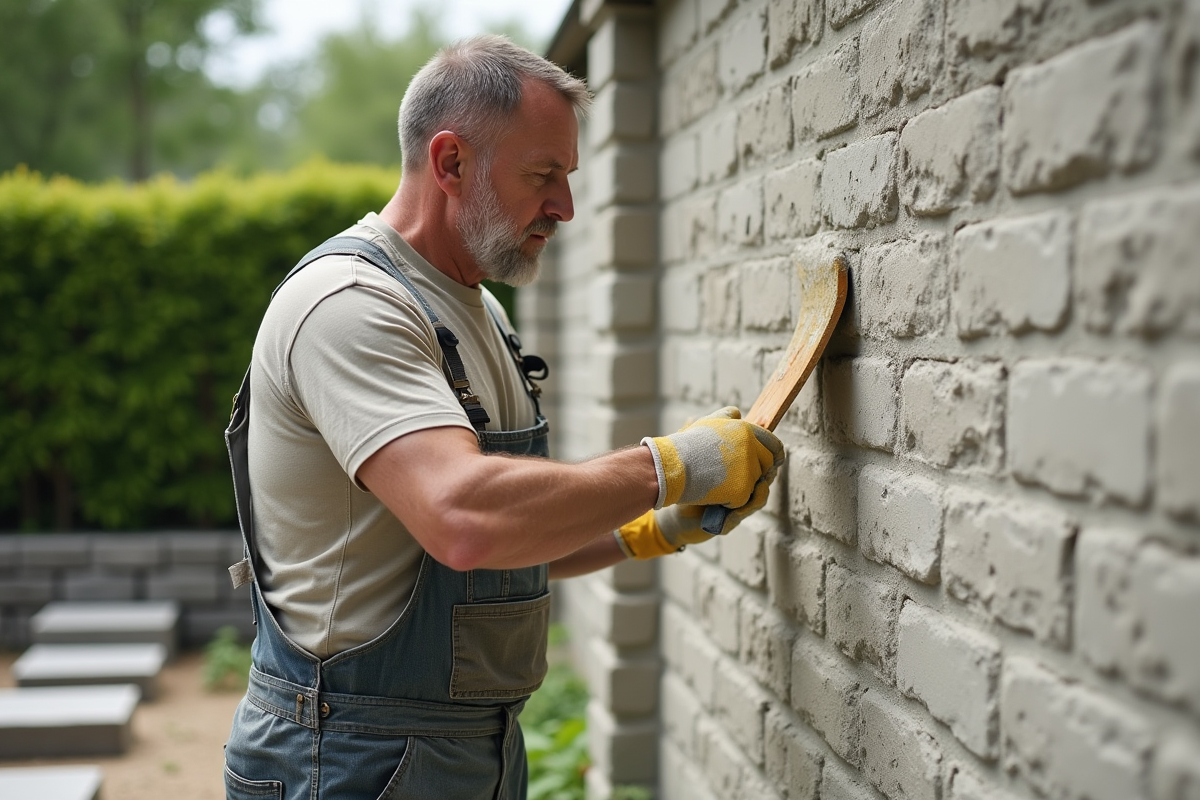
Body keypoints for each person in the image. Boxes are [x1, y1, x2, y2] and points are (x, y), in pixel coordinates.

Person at [221, 34, 785, 800]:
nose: (566, 207)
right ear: (450, 163)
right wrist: (669, 467)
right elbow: (464, 518)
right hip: (348, 756)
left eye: (568, 176)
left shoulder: (476, 309)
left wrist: (647, 529)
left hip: (464, 748)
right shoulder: (351, 307)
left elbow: (490, 558)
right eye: (542, 175)